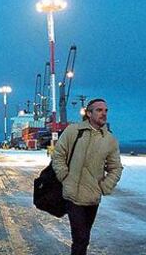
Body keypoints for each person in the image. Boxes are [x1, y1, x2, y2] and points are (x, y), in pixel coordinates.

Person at [52, 98, 123, 255]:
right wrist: (65, 176)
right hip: (73, 196)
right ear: (88, 113)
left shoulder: (110, 140)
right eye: (99, 110)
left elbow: (115, 167)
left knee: (84, 238)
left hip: (93, 197)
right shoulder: (73, 131)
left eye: (105, 110)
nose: (103, 113)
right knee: (80, 238)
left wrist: (105, 186)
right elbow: (58, 155)